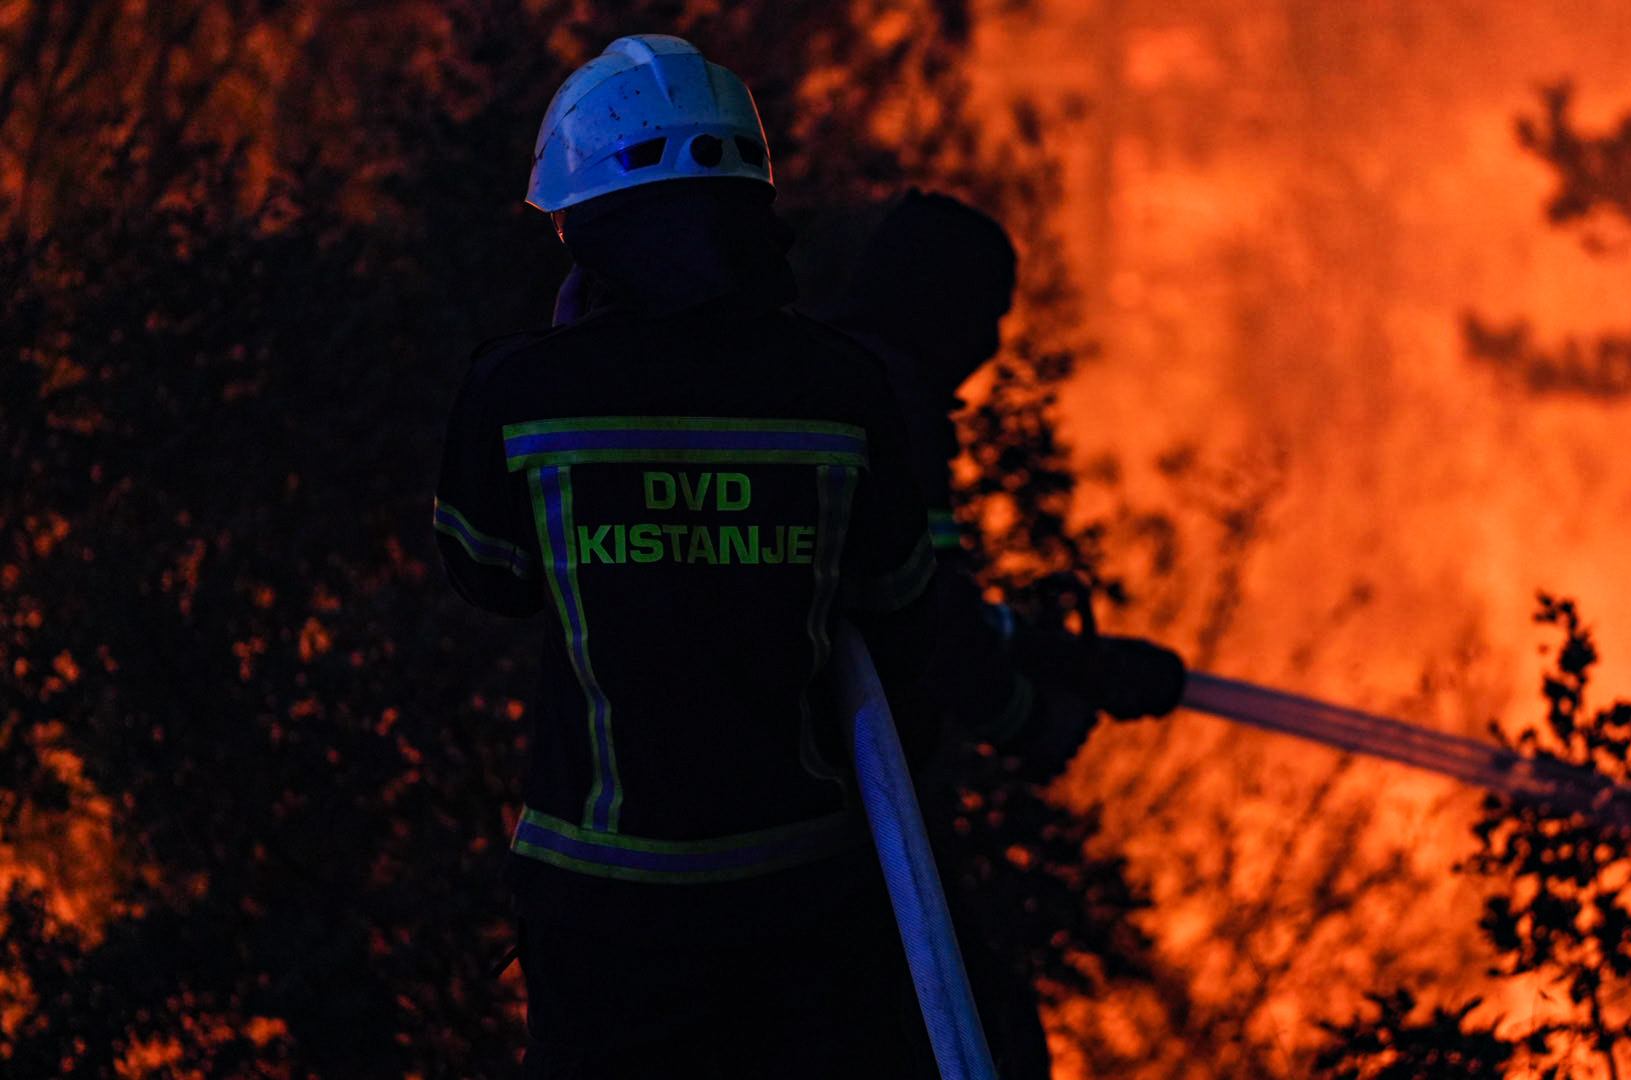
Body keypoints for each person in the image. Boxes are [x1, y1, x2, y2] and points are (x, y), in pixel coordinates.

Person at [433, 36, 939, 1078]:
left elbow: (488, 574)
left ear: (586, 226)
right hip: (801, 896)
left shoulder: (520, 391)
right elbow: (899, 596)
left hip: (603, 913)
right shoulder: (842, 388)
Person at [813, 189, 1189, 1079]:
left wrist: (1062, 656)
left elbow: (908, 598)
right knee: (986, 1042)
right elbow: (928, 621)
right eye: (985, 317)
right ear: (936, 304)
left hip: (832, 799)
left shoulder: (834, 379)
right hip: (859, 809)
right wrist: (1028, 716)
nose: (986, 349)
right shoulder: (888, 403)